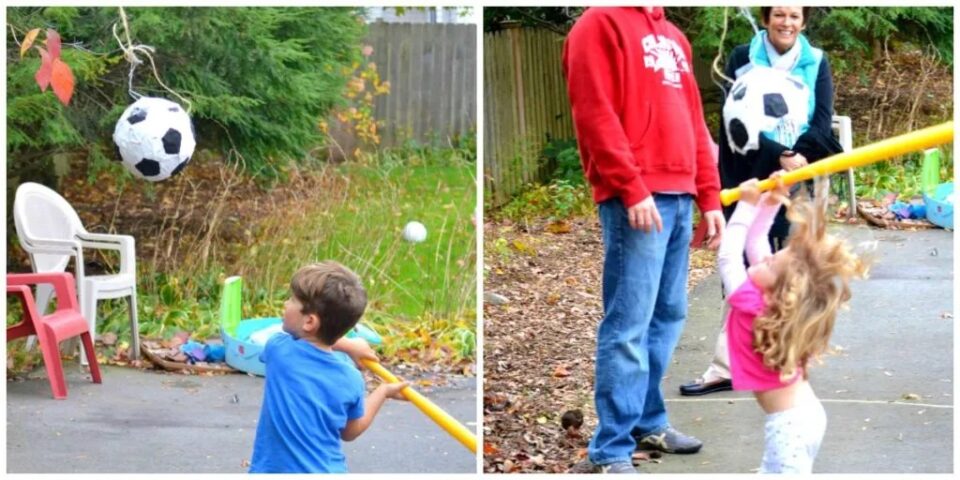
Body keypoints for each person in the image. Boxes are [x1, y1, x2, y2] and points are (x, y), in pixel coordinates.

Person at [562, 6, 726, 474]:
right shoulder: (599, 22)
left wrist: (710, 196)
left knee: (667, 316)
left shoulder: (674, 35)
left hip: (679, 195)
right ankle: (610, 448)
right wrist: (630, 187)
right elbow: (594, 111)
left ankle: (648, 422)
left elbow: (695, 122)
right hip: (638, 197)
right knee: (628, 325)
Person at [681, 6, 844, 397]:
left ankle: (786, 353)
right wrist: (778, 153)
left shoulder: (816, 61)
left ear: (803, 21)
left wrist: (797, 156)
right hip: (748, 172)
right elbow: (733, 116)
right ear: (767, 17)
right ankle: (726, 364)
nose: (786, 23)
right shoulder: (742, 57)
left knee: (788, 269)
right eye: (779, 15)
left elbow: (821, 120)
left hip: (795, 175)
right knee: (738, 266)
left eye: (794, 16)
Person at [719, 174, 866, 473]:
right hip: (802, 418)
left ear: (780, 288)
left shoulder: (755, 305)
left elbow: (728, 256)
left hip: (789, 426)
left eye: (771, 262)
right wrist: (771, 201)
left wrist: (745, 208)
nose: (763, 260)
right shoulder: (773, 299)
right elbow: (757, 242)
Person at [249, 262, 407, 473]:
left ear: (310, 321)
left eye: (292, 300)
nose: (286, 304)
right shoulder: (351, 378)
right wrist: (383, 391)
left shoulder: (279, 351)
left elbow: (294, 338)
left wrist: (349, 346)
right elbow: (350, 432)